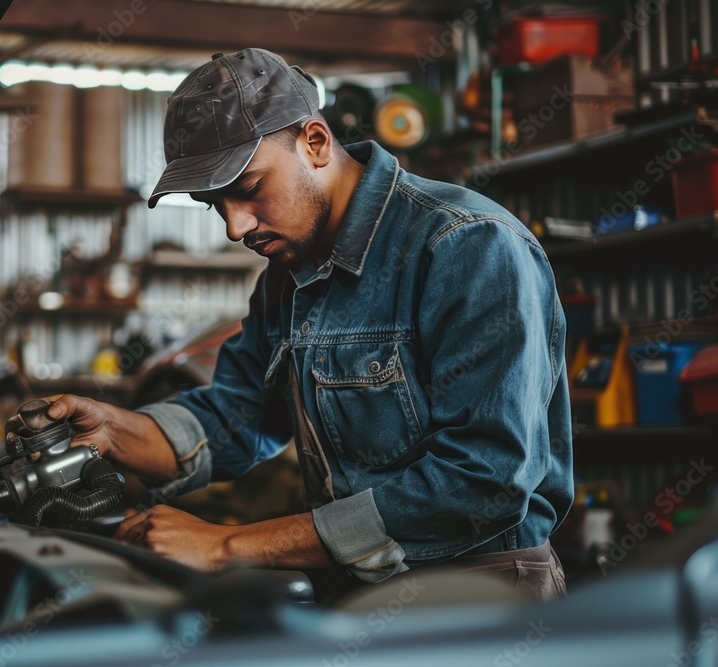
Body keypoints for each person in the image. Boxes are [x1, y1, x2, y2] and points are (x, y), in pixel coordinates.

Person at [44, 48, 573, 600]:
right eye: (213, 205)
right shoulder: (286, 277)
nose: (235, 227)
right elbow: (235, 415)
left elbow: (484, 480)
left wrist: (227, 545)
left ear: (315, 142)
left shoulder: (467, 245)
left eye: (248, 189)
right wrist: (112, 429)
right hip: (359, 592)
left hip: (480, 594)